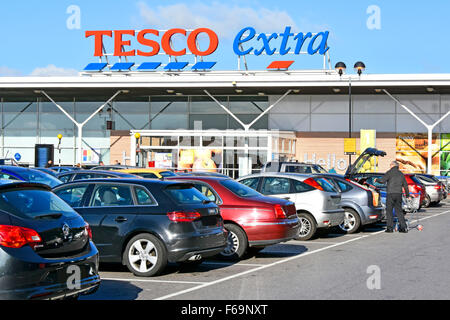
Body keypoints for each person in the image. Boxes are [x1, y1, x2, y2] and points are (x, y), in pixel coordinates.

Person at [376, 161, 411, 233]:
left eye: (390, 165)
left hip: (390, 194)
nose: (389, 166)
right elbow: (405, 186)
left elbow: (382, 180)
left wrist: (377, 180)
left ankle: (390, 228)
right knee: (399, 211)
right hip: (398, 194)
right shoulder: (401, 174)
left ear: (392, 165)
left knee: (389, 211)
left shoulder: (389, 172)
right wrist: (408, 195)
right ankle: (403, 228)